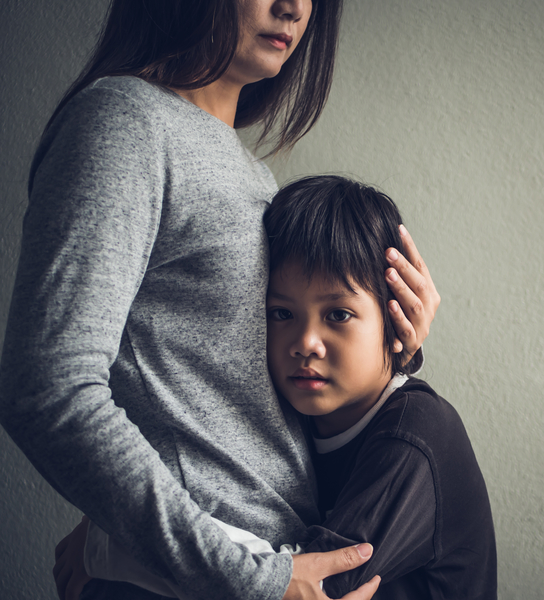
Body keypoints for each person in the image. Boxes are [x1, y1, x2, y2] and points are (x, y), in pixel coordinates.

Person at [0, 1, 440, 600]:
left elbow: (205, 400)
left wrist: (393, 351)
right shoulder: (124, 121)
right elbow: (46, 385)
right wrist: (252, 581)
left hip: (263, 563)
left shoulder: (256, 177)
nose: (294, 7)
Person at [59, 176, 497, 599]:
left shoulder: (414, 436)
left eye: (339, 315)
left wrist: (111, 544)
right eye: (281, 314)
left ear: (395, 312)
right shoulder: (301, 419)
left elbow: (302, 586)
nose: (305, 343)